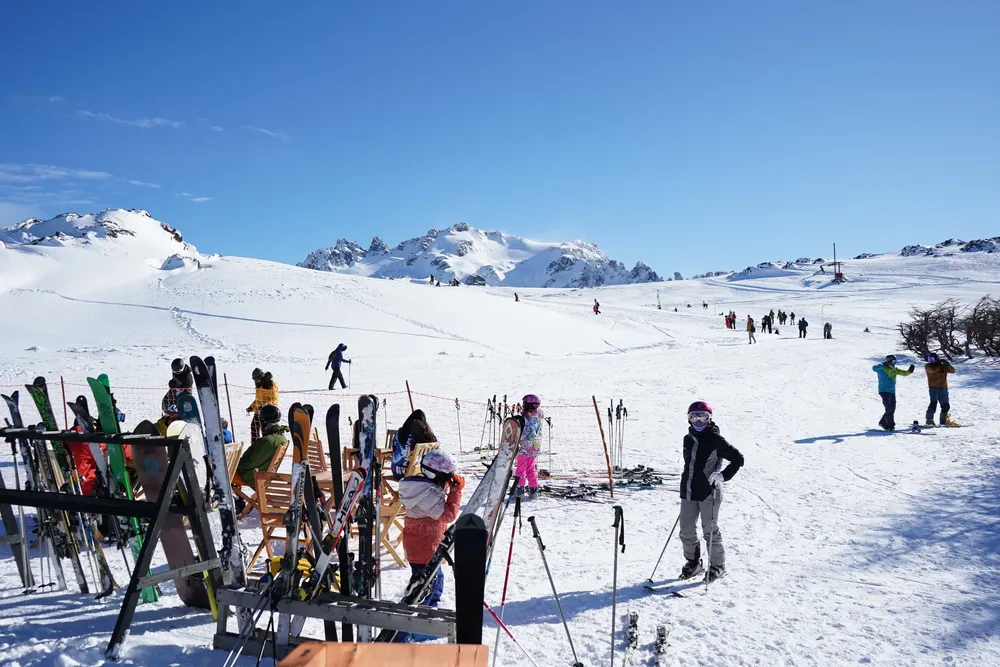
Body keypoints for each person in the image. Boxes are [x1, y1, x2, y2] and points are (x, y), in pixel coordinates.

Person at [396, 450, 465, 642]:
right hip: (425, 548)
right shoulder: (426, 493)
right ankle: (411, 631)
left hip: (423, 546)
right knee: (426, 588)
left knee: (428, 585)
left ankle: (421, 624)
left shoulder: (422, 488)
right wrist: (455, 492)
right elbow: (447, 515)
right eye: (447, 477)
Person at [678, 401, 744, 582]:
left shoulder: (716, 440)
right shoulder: (687, 439)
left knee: (710, 530)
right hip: (689, 491)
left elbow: (738, 459)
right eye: (694, 417)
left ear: (710, 418)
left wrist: (723, 475)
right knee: (686, 530)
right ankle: (694, 563)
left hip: (709, 492)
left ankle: (717, 566)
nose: (698, 421)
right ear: (689, 419)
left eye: (703, 417)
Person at [235, 405, 286, 489]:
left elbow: (248, 463)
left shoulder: (267, 441)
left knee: (225, 474)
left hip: (252, 477)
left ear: (263, 421)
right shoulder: (281, 438)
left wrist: (236, 464)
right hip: (264, 475)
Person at [391, 409, 437, 479]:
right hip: (415, 473)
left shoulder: (400, 432)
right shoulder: (426, 435)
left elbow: (394, 449)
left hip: (396, 471)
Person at [872, 355, 914, 431]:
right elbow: (874, 368)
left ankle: (882, 422)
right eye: (893, 361)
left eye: (895, 362)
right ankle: (890, 425)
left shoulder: (894, 369)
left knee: (892, 409)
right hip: (884, 391)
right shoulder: (882, 368)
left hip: (892, 391)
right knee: (888, 409)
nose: (894, 363)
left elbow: (903, 373)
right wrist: (882, 365)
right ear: (889, 361)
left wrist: (909, 371)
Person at [515, 394, 544, 499]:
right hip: (535, 446)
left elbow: (523, 433)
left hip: (525, 447)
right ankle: (534, 490)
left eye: (524, 404)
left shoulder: (527, 418)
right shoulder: (539, 415)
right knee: (531, 468)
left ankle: (519, 491)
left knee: (521, 469)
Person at [925, 352, 957, 426]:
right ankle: (929, 419)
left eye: (932, 359)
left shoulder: (943, 366)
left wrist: (947, 365)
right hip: (933, 388)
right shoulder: (928, 366)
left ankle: (943, 421)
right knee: (933, 404)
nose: (931, 360)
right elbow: (932, 370)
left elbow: (953, 371)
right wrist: (940, 364)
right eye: (929, 359)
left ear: (936, 359)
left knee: (945, 406)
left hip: (943, 388)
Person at [247, 368, 279, 441]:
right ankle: (255, 446)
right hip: (259, 411)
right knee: (254, 427)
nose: (256, 381)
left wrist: (263, 407)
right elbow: (259, 400)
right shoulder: (259, 386)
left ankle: (267, 445)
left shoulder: (271, 384)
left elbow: (272, 399)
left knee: (265, 430)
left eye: (257, 379)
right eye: (255, 380)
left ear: (262, 377)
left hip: (269, 412)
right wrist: (252, 407)